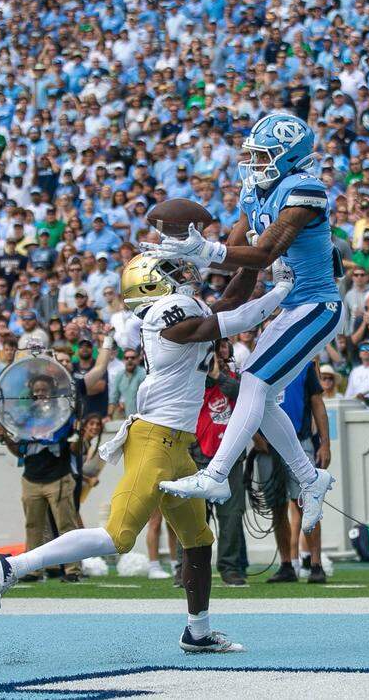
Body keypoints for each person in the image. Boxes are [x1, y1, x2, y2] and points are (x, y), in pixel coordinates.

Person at [0, 254, 295, 654]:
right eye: (171, 272)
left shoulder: (181, 309)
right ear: (151, 286)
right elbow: (233, 320)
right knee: (117, 536)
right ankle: (12, 566)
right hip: (153, 441)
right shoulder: (164, 314)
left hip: (177, 444)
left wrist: (255, 261)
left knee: (199, 540)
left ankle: (197, 632)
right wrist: (282, 290)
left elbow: (230, 302)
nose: (184, 274)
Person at [149, 114, 341, 534]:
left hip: (317, 305)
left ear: (287, 156)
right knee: (264, 396)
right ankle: (310, 479)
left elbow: (264, 255)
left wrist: (208, 250)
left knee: (253, 382)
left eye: (260, 154)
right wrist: (213, 315)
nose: (252, 162)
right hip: (289, 306)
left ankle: (216, 475)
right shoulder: (256, 191)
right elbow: (241, 262)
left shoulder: (304, 192)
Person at [0, 341, 114, 583]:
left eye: (44, 389)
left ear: (51, 390)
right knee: (33, 527)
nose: (40, 393)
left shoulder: (63, 413)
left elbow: (73, 447)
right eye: (36, 390)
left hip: (59, 477)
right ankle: (32, 569)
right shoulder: (25, 417)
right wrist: (5, 437)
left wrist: (78, 434)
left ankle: (73, 570)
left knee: (66, 526)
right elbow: (20, 451)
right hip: (31, 478)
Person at [259, 361, 331, 584]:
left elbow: (317, 402)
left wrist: (325, 443)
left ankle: (316, 563)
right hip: (268, 446)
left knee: (308, 503)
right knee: (277, 507)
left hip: (300, 443)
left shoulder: (305, 364)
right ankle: (287, 563)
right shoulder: (258, 365)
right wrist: (255, 439)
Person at [191, 339, 247, 587]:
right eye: (215, 347)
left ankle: (230, 567)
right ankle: (189, 567)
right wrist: (209, 374)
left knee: (231, 516)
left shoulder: (238, 378)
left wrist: (219, 375)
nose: (220, 351)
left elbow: (243, 397)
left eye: (223, 346)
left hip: (231, 458)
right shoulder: (193, 379)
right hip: (200, 457)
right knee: (194, 517)